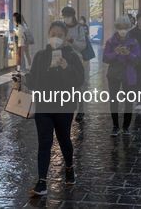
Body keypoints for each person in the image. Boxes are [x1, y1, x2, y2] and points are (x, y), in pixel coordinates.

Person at [18, 21, 84, 196]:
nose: (56, 38)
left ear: (65, 38)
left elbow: (79, 80)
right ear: (48, 35)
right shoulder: (41, 56)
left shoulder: (72, 57)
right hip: (43, 106)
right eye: (53, 34)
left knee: (64, 140)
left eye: (60, 35)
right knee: (44, 142)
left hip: (64, 106)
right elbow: (34, 80)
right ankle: (42, 182)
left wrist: (66, 68)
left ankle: (69, 168)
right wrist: (24, 79)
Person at [102, 16, 141, 137]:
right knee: (114, 100)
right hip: (114, 74)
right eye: (120, 28)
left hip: (129, 74)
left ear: (128, 28)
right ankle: (115, 126)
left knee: (128, 100)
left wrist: (129, 54)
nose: (123, 30)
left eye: (125, 28)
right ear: (117, 28)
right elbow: (105, 58)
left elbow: (137, 59)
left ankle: (126, 126)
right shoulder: (111, 41)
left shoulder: (133, 42)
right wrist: (116, 53)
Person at [61, 6, 87, 121]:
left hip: (76, 59)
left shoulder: (79, 28)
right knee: (63, 83)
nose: (66, 18)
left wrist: (71, 40)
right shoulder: (61, 27)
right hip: (63, 58)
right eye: (65, 16)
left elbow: (82, 45)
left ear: (73, 16)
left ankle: (80, 109)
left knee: (77, 85)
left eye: (68, 16)